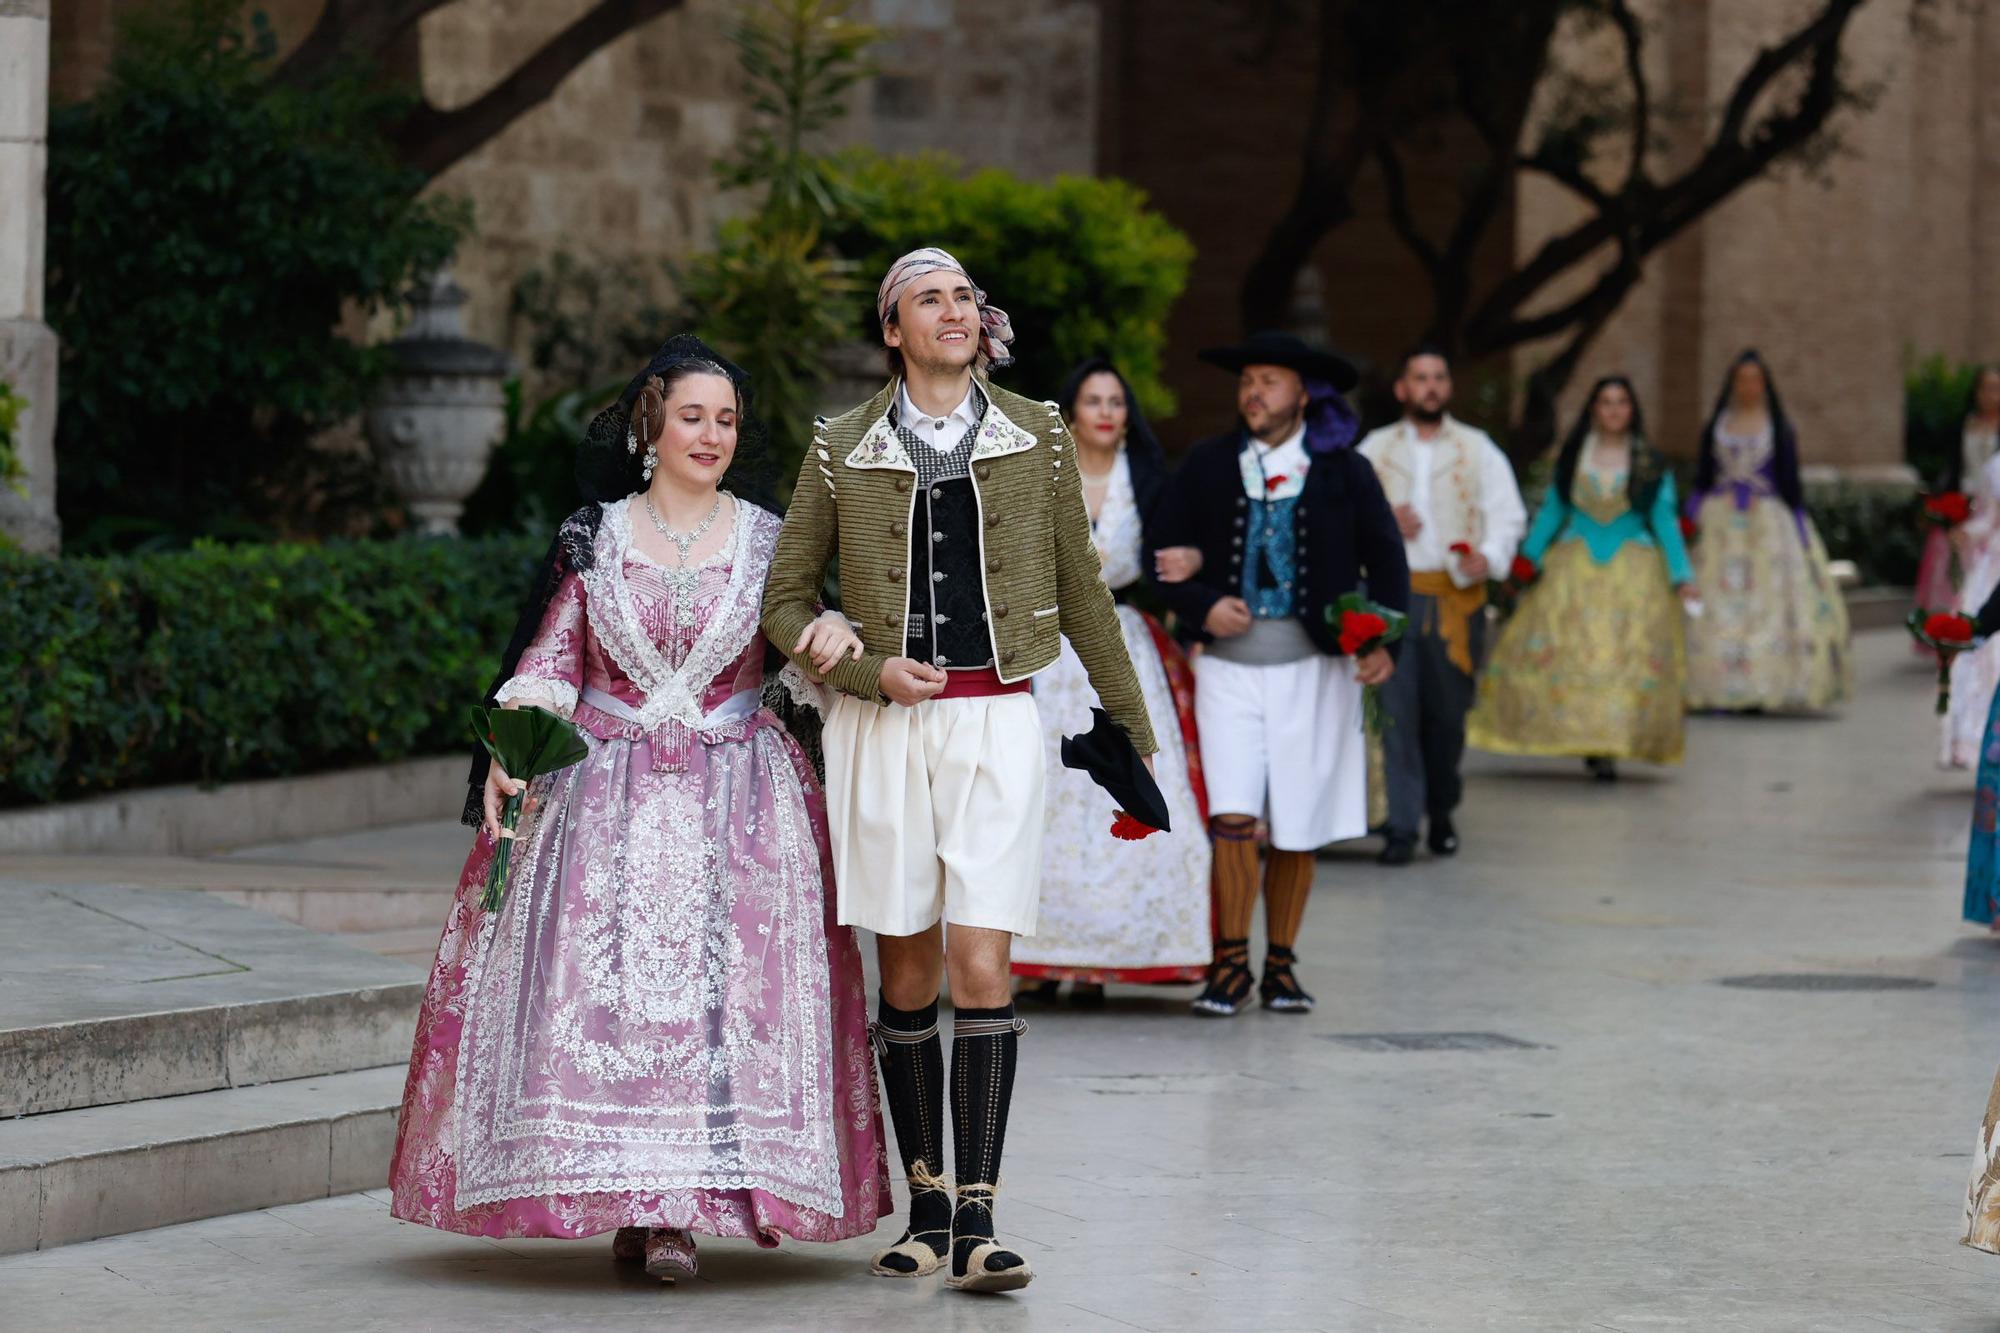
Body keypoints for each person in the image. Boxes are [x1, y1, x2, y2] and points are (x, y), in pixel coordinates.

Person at [386, 336, 891, 1284]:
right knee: (602, 999)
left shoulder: (774, 539)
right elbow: (550, 662)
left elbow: (807, 652)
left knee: (722, 1005)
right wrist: (514, 738)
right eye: (694, 416)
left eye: (728, 420)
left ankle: (684, 1209)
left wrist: (834, 629)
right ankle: (621, 1194)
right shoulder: (595, 535)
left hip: (744, 797)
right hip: (602, 792)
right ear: (650, 423)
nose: (712, 435)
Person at [761, 247, 1157, 1294]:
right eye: (928, 298)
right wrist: (851, 658)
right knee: (906, 971)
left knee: (982, 961)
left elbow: (1080, 588)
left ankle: (981, 1217)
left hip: (996, 724)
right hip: (880, 731)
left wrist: (1133, 731)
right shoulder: (840, 446)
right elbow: (785, 597)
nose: (955, 310)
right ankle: (924, 1199)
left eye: (965, 297)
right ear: (892, 328)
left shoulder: (1035, 431)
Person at [1148, 329, 1406, 1017]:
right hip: (1228, 670)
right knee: (1233, 816)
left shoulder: (1344, 471)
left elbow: (1386, 560)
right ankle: (1230, 964)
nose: (1253, 392)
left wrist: (1383, 640)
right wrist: (1204, 604)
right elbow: (1161, 556)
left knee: (1297, 821)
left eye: (1269, 380)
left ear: (1303, 393)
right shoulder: (1206, 464)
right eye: (1246, 381)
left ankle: (1281, 967)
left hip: (1314, 672)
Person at [1012, 357, 1212, 1005]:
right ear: (1070, 411)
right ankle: (1035, 956)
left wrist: (1193, 563)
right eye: (1093, 400)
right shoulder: (1037, 475)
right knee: (1038, 791)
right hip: (1045, 647)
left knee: (1127, 782)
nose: (1105, 411)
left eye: (1117, 402)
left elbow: (1178, 555)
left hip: (1122, 642)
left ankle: (1107, 956)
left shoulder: (1151, 480)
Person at [1466, 376, 1696, 779]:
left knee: (1623, 654)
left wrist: (1682, 575)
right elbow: (1554, 511)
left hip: (1633, 566)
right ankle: (1582, 735)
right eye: (1606, 401)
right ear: (1593, 409)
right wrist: (1527, 561)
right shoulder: (1574, 457)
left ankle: (1610, 741)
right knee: (1569, 651)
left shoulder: (1648, 463)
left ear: (1632, 409)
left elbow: (1664, 520)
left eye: (1621, 401)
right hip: (1573, 563)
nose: (1613, 410)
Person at [1357, 347, 1526, 864]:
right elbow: (1341, 517)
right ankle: (1402, 827)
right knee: (1396, 711)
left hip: (1455, 602)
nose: (1429, 386)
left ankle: (1442, 808)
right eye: (1419, 378)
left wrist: (1490, 556)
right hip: (1390, 598)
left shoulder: (1478, 449)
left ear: (1448, 388)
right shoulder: (1374, 448)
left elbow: (1508, 515)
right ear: (1402, 389)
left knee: (1447, 715)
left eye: (1438, 377)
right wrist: (1382, 520)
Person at [1682, 350, 1850, 712]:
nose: (1748, 387)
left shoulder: (1778, 427)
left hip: (1768, 524)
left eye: (1755, 379)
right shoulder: (1718, 425)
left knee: (1767, 601)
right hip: (1720, 524)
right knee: (1717, 602)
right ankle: (1717, 684)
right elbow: (1704, 477)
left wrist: (1801, 527)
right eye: (1741, 379)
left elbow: (1790, 482)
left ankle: (1765, 683)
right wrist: (1691, 515)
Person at [1913, 365, 2000, 635]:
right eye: (1987, 388)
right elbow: (1956, 467)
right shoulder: (1966, 427)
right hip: (1970, 500)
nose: (1992, 395)